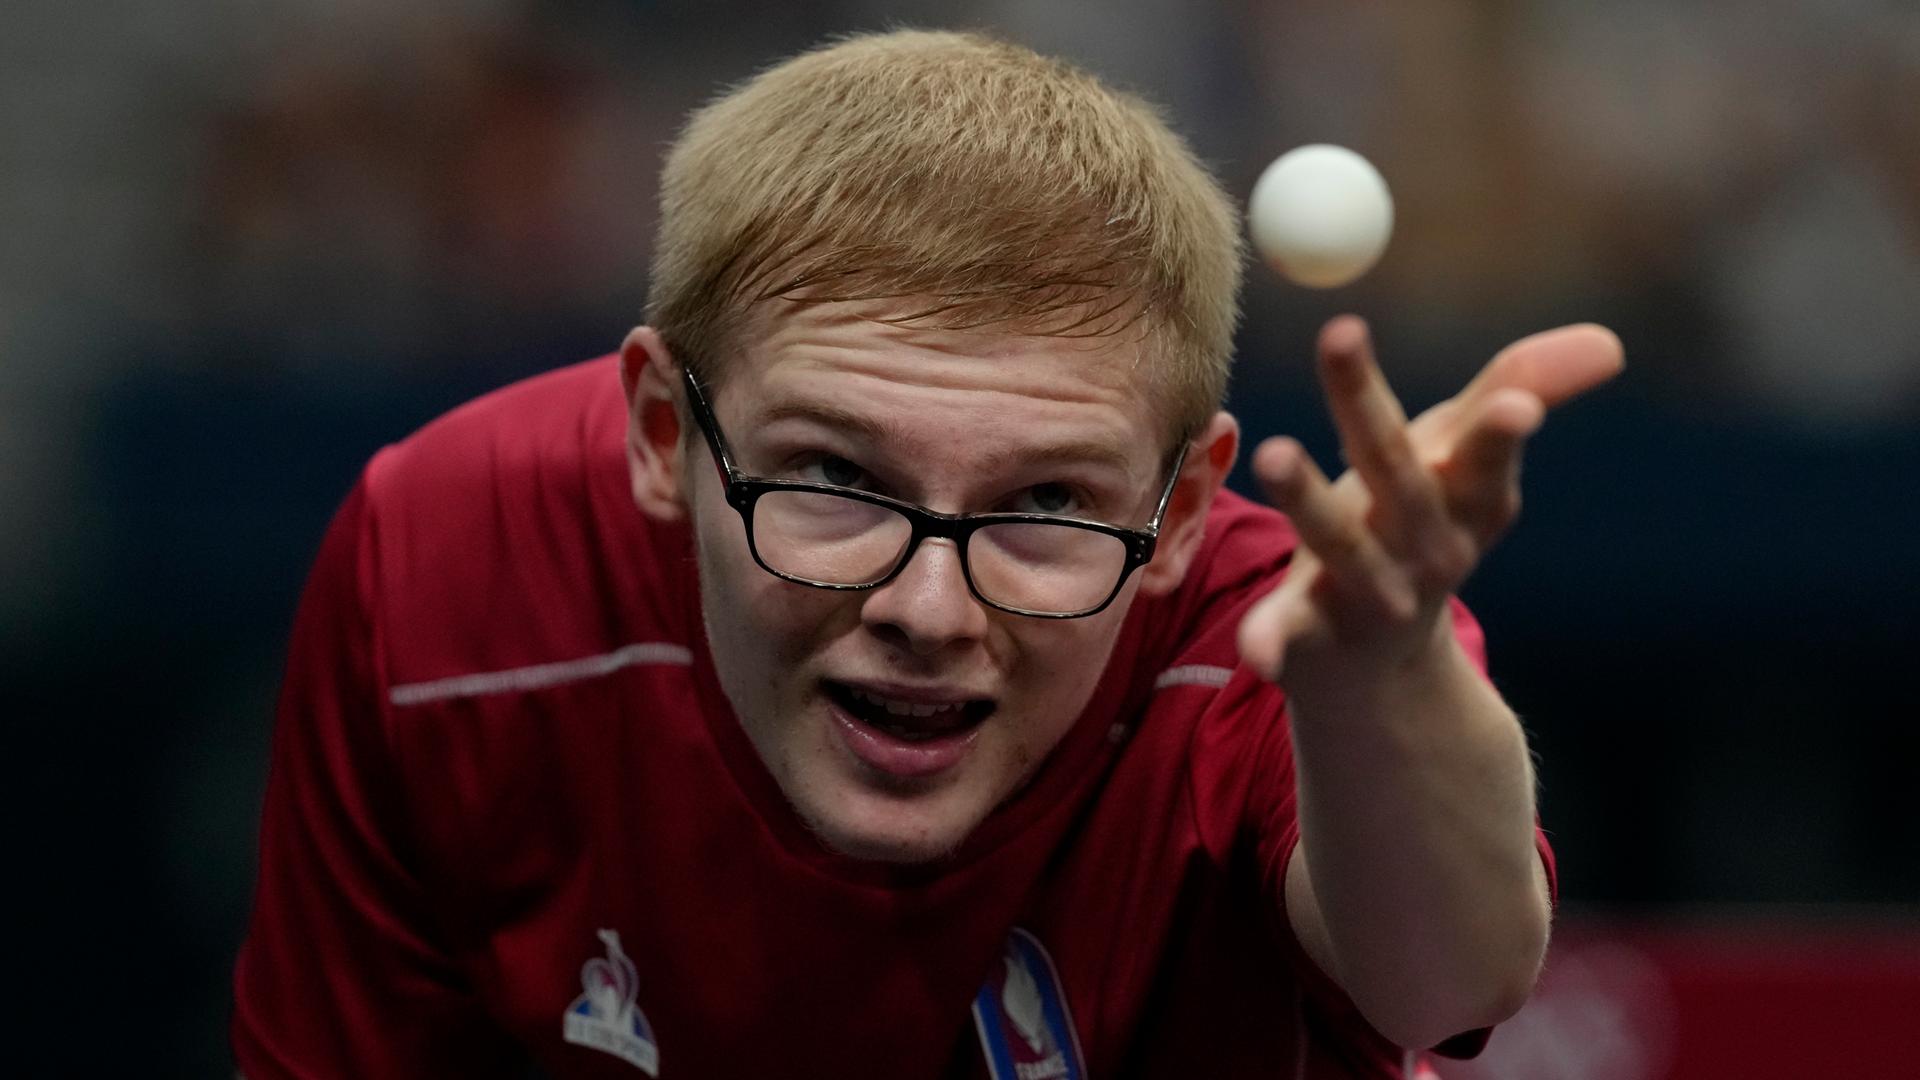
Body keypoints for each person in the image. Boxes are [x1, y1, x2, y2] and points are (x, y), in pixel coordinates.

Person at [232, 29, 1621, 1079]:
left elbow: (1448, 981)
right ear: (665, 430)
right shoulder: (445, 555)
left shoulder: (1297, 635)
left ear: (1185, 507)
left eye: (1047, 501)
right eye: (837, 476)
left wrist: (1380, 674)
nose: (928, 605)